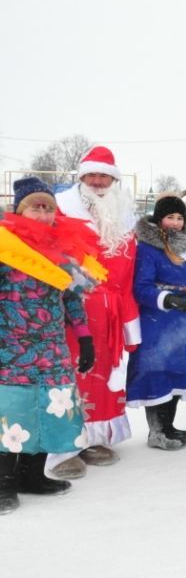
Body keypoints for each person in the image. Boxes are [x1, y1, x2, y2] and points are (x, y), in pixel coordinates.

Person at [0, 177, 100, 514]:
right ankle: (3, 483)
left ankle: (32, 476)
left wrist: (84, 337)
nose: (42, 213)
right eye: (35, 206)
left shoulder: (62, 250)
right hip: (10, 349)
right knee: (12, 414)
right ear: (19, 210)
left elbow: (72, 297)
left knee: (50, 410)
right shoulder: (5, 246)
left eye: (48, 207)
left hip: (53, 348)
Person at [52, 146, 140, 476]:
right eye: (92, 175)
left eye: (104, 175)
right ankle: (64, 445)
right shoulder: (63, 211)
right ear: (82, 177)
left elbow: (128, 275)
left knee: (104, 378)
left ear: (113, 179)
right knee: (71, 375)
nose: (98, 181)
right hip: (72, 310)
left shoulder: (125, 216)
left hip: (113, 313)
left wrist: (130, 321)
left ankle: (95, 439)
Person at [128, 195, 186, 451]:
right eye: (170, 217)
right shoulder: (148, 248)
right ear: (160, 219)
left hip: (182, 321)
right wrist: (166, 299)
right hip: (158, 322)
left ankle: (168, 426)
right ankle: (156, 432)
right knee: (158, 371)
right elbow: (140, 287)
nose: (176, 222)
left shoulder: (185, 246)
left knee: (175, 373)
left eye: (180, 218)